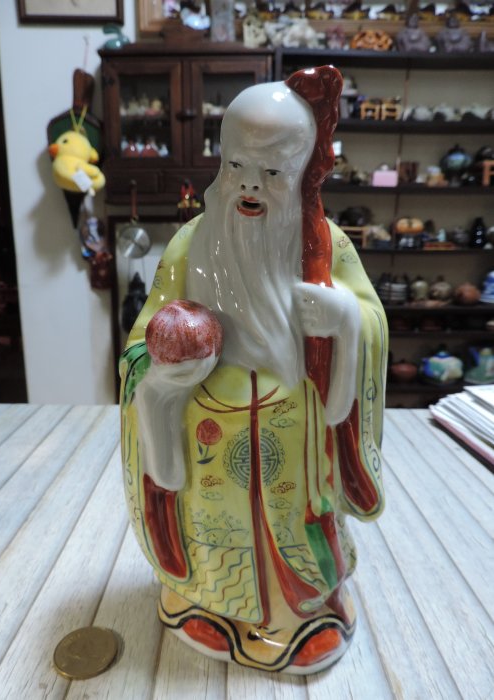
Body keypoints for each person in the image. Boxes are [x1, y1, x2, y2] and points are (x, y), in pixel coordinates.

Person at [120, 66, 388, 674]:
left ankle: (304, 613)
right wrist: (162, 377)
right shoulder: (190, 245)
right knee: (214, 524)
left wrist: (347, 319)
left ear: (302, 172)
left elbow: (370, 318)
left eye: (272, 172)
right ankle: (203, 602)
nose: (249, 185)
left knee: (296, 521)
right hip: (210, 428)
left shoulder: (329, 247)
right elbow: (142, 338)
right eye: (237, 165)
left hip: (297, 429)